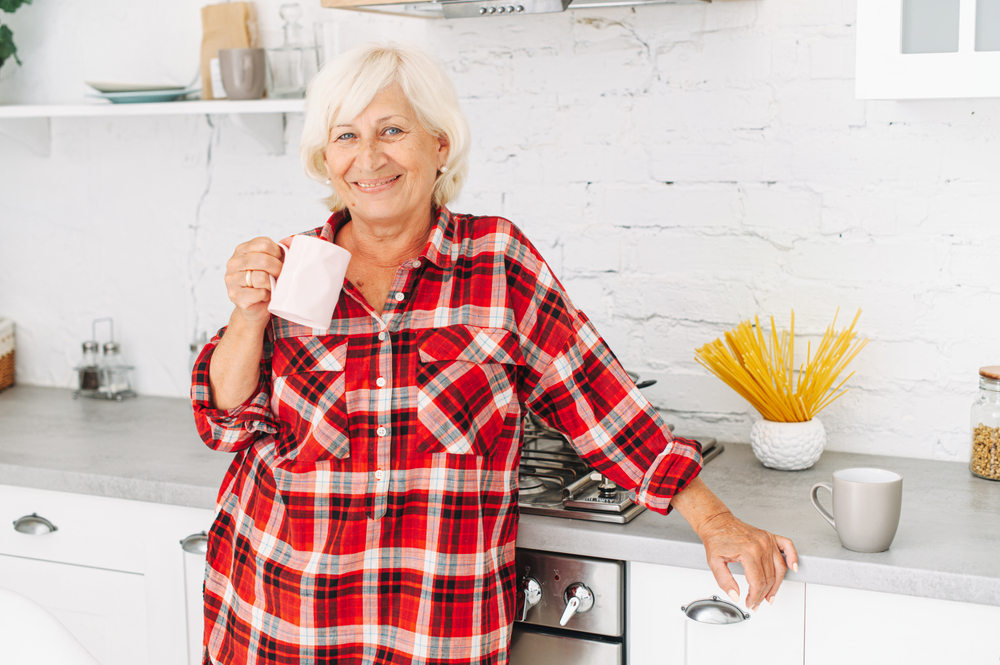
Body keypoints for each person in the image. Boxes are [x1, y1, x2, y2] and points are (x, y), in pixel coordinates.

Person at [191, 42, 798, 665]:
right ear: (326, 157)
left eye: (392, 130)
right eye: (345, 136)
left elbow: (595, 397)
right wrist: (248, 315)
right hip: (283, 620)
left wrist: (714, 519)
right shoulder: (297, 267)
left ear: (440, 146)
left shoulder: (496, 263)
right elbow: (226, 422)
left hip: (433, 629)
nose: (367, 157)